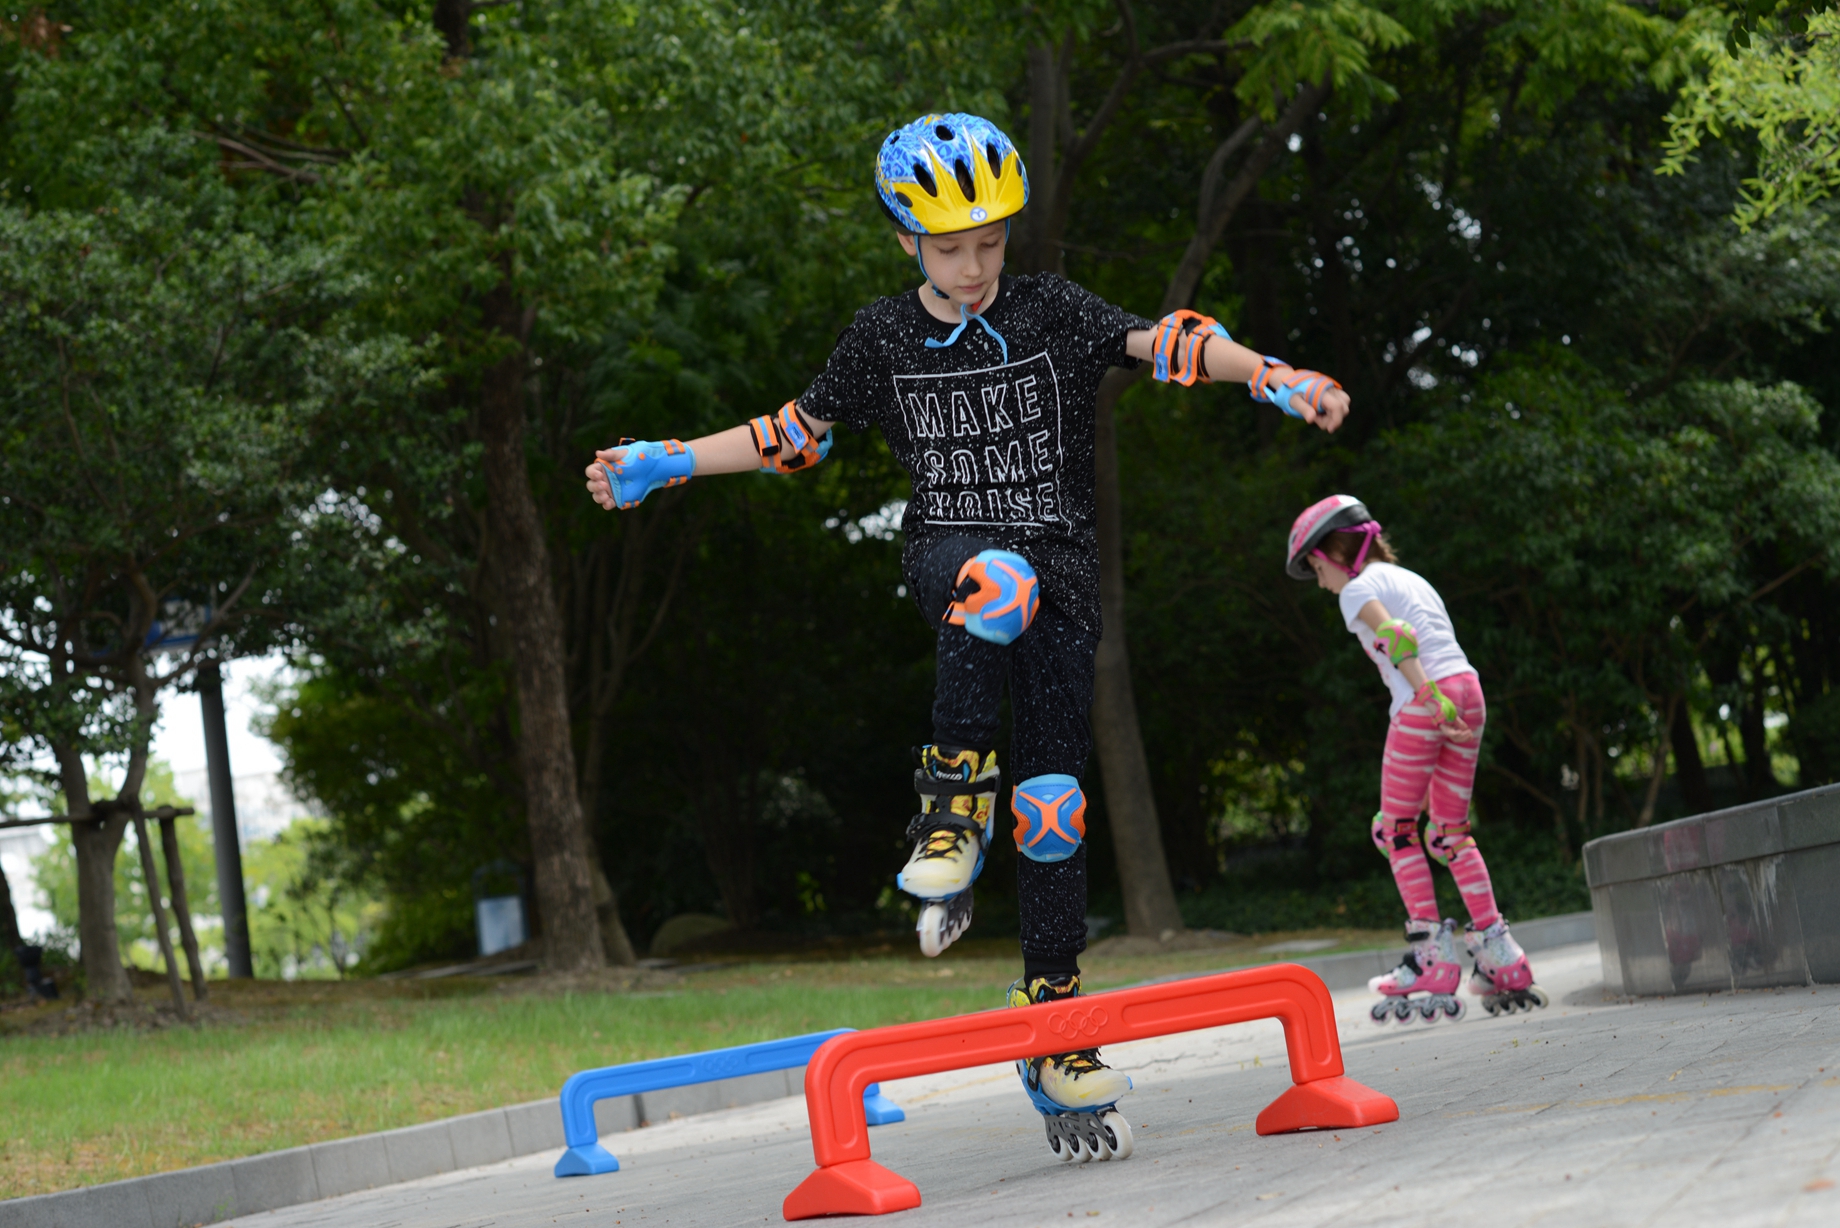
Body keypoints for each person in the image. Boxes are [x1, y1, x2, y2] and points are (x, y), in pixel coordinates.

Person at [587, 113, 1350, 1158]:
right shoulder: (881, 337)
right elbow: (789, 435)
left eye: (992, 241)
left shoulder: (1048, 309)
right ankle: (947, 813)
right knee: (998, 580)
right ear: (907, 239)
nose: (977, 265)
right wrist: (668, 460)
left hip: (1069, 582)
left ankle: (1056, 1029)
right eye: (951, 248)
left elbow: (1165, 343)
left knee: (1052, 804)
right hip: (952, 556)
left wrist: (1271, 373)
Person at [1285, 495, 1548, 1021]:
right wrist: (1445, 697)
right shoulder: (1411, 578)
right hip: (1469, 690)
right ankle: (1502, 956)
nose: (1321, 583)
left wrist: (1427, 697)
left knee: (1396, 829)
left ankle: (1431, 957)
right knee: (1449, 832)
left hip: (1426, 701)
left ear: (1335, 552)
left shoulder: (1358, 588)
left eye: (1317, 569)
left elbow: (1395, 635)